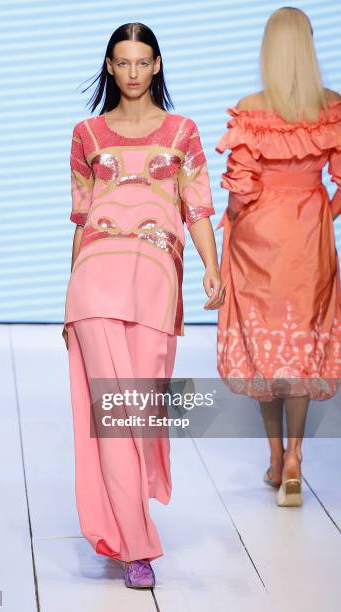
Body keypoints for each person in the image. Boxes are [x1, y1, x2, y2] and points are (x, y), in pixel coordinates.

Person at [62, 22, 224, 588]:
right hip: (96, 282)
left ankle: (124, 525)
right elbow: (82, 217)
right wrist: (69, 289)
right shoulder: (86, 132)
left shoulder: (183, 132)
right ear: (109, 66)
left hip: (156, 281)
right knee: (115, 417)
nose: (132, 72)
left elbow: (198, 206)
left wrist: (212, 266)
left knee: (142, 409)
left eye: (142, 62)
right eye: (122, 62)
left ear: (157, 65)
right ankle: (136, 546)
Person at [215, 7, 341, 508]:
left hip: (259, 238)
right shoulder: (331, 107)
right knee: (302, 343)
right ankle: (293, 459)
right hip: (308, 236)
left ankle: (273, 458)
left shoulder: (251, 108)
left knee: (263, 348)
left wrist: (237, 229)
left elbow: (241, 190)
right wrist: (321, 216)